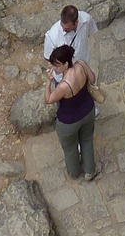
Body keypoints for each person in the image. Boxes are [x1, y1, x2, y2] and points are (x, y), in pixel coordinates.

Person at [44, 44, 98, 180]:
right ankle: (89, 171)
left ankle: (74, 172)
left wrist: (48, 82)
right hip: (88, 110)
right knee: (87, 140)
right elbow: (92, 79)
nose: (54, 69)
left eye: (57, 65)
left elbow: (48, 99)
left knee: (70, 148)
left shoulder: (63, 85)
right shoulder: (81, 64)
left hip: (69, 121)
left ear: (66, 64)